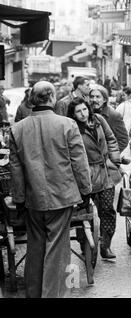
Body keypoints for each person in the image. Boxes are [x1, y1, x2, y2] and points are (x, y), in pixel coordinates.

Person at [9, 81, 92, 298]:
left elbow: (16, 171)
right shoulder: (67, 125)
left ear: (32, 100)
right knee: (57, 249)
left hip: (33, 199)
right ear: (53, 98)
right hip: (62, 197)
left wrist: (19, 200)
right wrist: (85, 191)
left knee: (35, 248)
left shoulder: (17, 128)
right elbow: (79, 163)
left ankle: (34, 294)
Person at [67, 97, 121, 258]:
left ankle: (106, 245)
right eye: (78, 111)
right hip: (85, 174)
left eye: (84, 109)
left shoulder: (98, 119)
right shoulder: (72, 127)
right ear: (73, 114)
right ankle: (86, 245)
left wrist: (115, 159)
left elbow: (111, 138)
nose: (82, 114)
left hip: (105, 172)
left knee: (108, 210)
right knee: (84, 213)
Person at [89, 84, 129, 154]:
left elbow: (123, 140)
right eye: (92, 97)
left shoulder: (113, 115)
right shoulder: (87, 113)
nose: (94, 100)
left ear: (104, 99)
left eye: (98, 97)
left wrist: (112, 156)